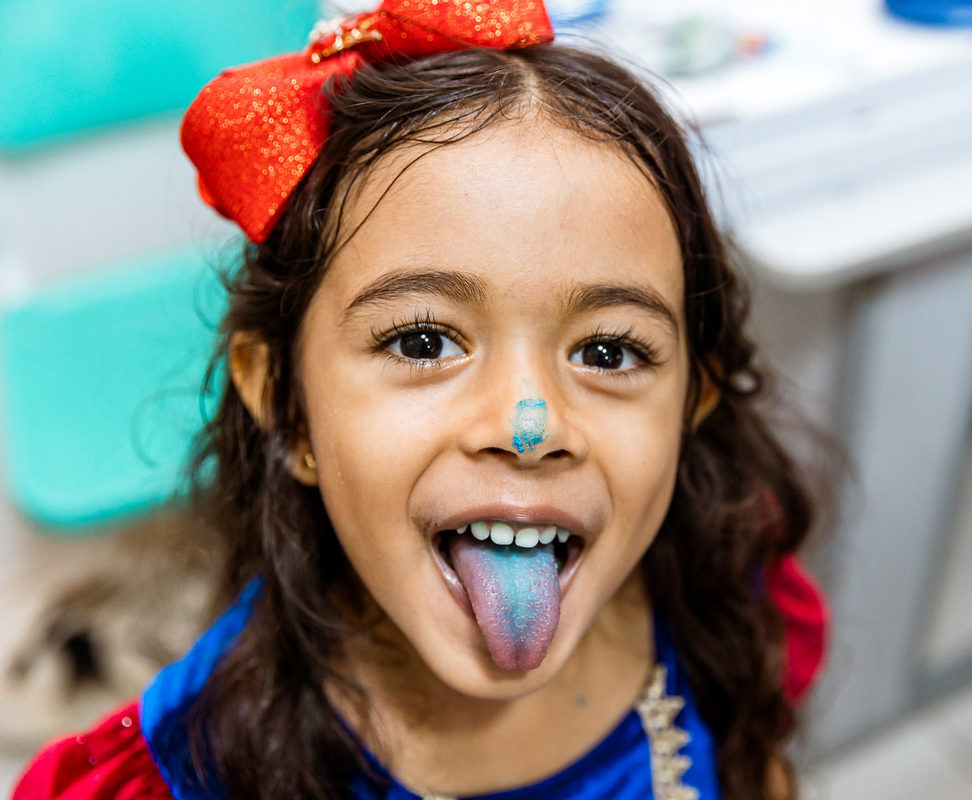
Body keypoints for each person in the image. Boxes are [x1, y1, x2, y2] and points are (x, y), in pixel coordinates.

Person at [14, 1, 830, 798]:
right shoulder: (192, 770)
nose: (526, 427)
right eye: (422, 342)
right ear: (287, 404)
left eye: (607, 352)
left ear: (694, 400)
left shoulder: (721, 608)